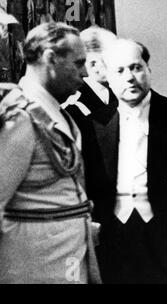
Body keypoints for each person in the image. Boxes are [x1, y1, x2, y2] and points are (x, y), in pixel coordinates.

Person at [0, 22, 100, 283]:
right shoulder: (20, 118)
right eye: (78, 64)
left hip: (66, 260)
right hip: (33, 267)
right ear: (50, 58)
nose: (84, 73)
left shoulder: (58, 114)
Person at [90, 39, 167, 283]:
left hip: (165, 232)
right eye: (120, 71)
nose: (130, 78)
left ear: (148, 70)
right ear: (108, 79)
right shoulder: (93, 123)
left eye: (136, 67)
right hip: (111, 235)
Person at [62, 26, 118, 223]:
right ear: (93, 64)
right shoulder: (73, 106)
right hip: (91, 210)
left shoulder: (118, 97)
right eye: (115, 59)